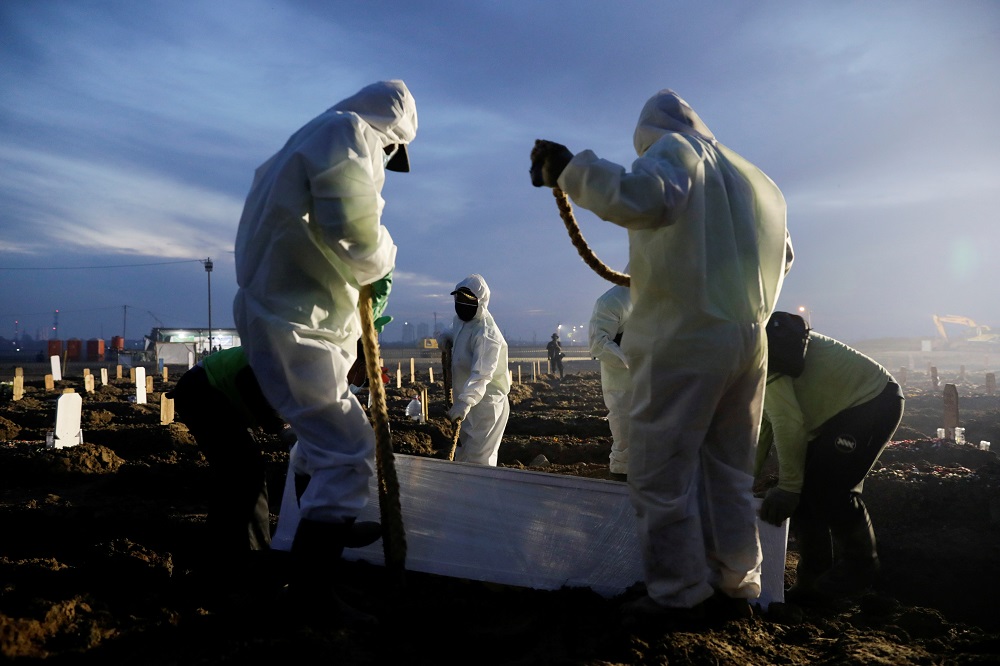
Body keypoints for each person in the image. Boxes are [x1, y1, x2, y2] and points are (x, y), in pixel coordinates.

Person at [531, 89, 793, 624]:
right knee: (729, 474)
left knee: (660, 471)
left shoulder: (678, 153)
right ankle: (737, 588)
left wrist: (570, 170)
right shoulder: (755, 179)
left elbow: (644, 199)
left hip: (687, 336)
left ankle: (677, 595)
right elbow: (784, 254)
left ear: (650, 136)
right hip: (748, 338)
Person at [232, 79, 416, 623]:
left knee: (323, 439)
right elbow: (355, 232)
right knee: (348, 448)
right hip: (297, 320)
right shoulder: (348, 133)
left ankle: (325, 519)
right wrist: (385, 257)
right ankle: (311, 593)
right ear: (390, 133)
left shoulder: (309, 136)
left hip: (303, 313)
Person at [756, 313, 904, 603]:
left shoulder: (757, 353)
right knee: (804, 493)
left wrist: (787, 487)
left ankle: (861, 565)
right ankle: (812, 584)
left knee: (828, 487)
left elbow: (788, 423)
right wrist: (744, 480)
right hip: (833, 412)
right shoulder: (741, 363)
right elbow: (764, 427)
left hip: (872, 399)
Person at [168, 346, 290, 589]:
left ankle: (220, 554)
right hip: (204, 390)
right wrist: (279, 427)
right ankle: (253, 556)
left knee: (235, 474)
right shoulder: (299, 356)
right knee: (247, 471)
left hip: (210, 391)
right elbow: (248, 379)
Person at [440, 274, 511, 466]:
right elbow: (458, 332)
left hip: (486, 405)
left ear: (480, 302)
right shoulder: (462, 321)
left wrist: (464, 402)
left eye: (468, 300)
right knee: (464, 456)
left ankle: (481, 495)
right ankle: (462, 494)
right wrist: (447, 336)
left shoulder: (487, 334)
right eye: (459, 298)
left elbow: (482, 374)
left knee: (479, 462)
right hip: (467, 402)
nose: (462, 303)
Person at [588, 284, 633, 481]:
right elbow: (599, 343)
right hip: (622, 384)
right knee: (626, 439)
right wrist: (632, 360)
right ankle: (621, 483)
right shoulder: (614, 300)